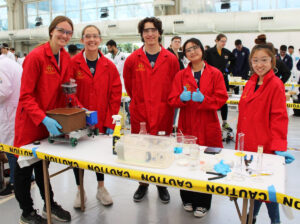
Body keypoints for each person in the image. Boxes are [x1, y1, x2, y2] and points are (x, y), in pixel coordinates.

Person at [13, 16, 74, 224]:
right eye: (61, 30)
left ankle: (50, 204)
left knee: (42, 167)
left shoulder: (65, 58)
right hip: (30, 123)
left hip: (49, 123)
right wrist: (42, 119)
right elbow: (26, 96)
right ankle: (27, 212)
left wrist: (76, 106)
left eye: (68, 32)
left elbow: (66, 89)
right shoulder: (36, 56)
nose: (64, 35)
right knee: (24, 169)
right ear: (51, 31)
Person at [168, 38, 228, 218]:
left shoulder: (215, 73)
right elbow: (172, 100)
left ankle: (203, 202)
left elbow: (222, 98)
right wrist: (182, 99)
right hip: (187, 124)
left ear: (201, 50)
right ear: (185, 55)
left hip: (207, 123)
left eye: (195, 48)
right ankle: (186, 197)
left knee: (206, 162)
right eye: (188, 50)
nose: (192, 52)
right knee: (185, 160)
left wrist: (205, 100)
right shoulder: (180, 75)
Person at [236, 44, 295, 224]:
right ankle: (252, 216)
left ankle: (275, 221)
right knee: (254, 185)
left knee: (269, 191)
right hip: (248, 144)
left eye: (264, 60)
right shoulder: (251, 82)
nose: (259, 64)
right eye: (255, 61)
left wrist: (278, 147)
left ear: (272, 61)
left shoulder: (275, 84)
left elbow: (279, 117)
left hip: (265, 146)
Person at [123, 17, 180, 203]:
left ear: (159, 33)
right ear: (141, 34)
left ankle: (161, 184)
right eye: (146, 31)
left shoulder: (171, 59)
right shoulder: (132, 59)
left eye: (153, 30)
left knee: (161, 147)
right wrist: (141, 102)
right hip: (141, 111)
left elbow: (174, 85)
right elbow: (129, 86)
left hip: (164, 111)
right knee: (141, 148)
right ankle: (143, 183)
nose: (150, 34)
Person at [68, 25, 122, 208]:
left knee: (99, 156)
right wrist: (82, 112)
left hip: (101, 119)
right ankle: (80, 189)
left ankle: (101, 188)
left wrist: (109, 120)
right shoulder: (73, 63)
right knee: (77, 157)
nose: (92, 39)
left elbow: (115, 95)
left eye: (95, 36)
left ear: (100, 40)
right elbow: (69, 91)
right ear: (82, 39)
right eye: (88, 36)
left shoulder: (109, 65)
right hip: (78, 118)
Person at [0, 54, 22, 197]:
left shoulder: (2, 66)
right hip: (15, 110)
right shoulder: (9, 62)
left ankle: (14, 182)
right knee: (15, 147)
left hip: (9, 112)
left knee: (11, 148)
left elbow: (3, 91)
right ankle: (22, 178)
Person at [205, 33, 235, 132]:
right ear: (216, 41)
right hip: (211, 79)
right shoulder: (209, 52)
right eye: (222, 41)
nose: (224, 43)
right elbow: (203, 64)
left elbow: (234, 61)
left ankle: (224, 122)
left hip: (223, 79)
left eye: (225, 41)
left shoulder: (226, 52)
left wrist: (228, 70)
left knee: (223, 100)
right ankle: (210, 122)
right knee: (211, 99)